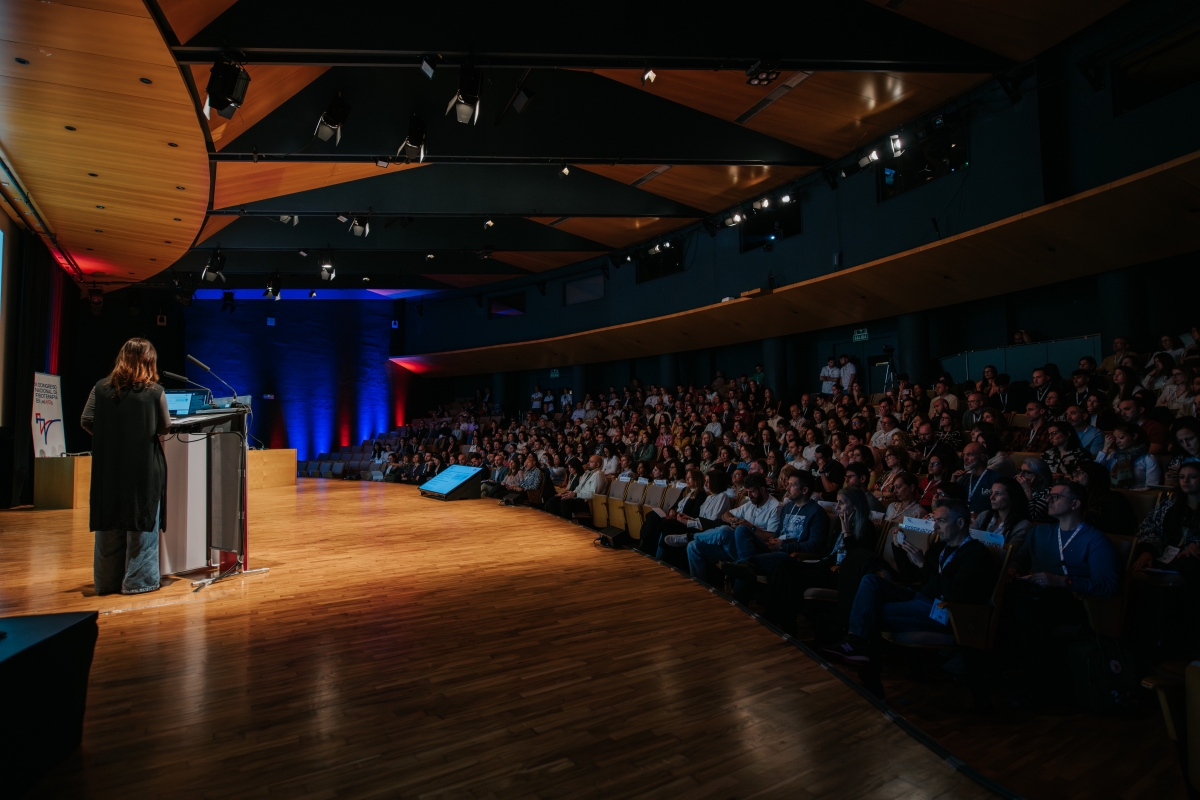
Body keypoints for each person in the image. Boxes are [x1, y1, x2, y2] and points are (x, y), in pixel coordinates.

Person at [822, 499, 996, 692]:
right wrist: (899, 549)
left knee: (871, 612)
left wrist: (923, 565)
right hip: (920, 597)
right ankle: (856, 642)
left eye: (942, 521)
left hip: (944, 611)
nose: (936, 526)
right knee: (871, 580)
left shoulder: (976, 554)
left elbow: (954, 593)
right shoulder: (941, 548)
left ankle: (870, 678)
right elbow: (910, 577)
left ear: (961, 523)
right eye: (935, 521)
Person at [1006, 481, 1120, 699]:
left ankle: (1037, 687)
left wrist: (1061, 581)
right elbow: (1020, 559)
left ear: (1075, 504)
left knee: (1028, 610)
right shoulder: (1039, 533)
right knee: (1009, 601)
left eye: (1056, 497)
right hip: (1036, 594)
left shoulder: (1095, 540)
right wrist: (1012, 570)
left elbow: (1107, 584)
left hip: (1073, 601)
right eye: (1049, 495)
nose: (1048, 500)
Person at [81, 337, 170, 596]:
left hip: (109, 468)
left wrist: (109, 438)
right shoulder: (155, 392)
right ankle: (138, 582)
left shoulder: (100, 388)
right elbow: (165, 426)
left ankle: (106, 584)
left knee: (108, 524)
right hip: (143, 468)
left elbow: (86, 419)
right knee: (141, 525)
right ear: (148, 362)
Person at [686, 473, 782, 583]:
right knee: (693, 546)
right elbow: (725, 515)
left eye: (752, 492)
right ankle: (699, 586)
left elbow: (771, 537)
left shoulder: (775, 507)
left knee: (726, 530)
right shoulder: (751, 503)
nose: (749, 495)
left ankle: (692, 536)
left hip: (754, 550)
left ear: (762, 489)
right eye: (747, 491)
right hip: (735, 545)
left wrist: (751, 528)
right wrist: (733, 520)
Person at [1070, 460, 1137, 536]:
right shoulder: (1077, 497)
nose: (1075, 476)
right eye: (1075, 472)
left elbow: (1119, 531)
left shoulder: (1114, 499)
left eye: (1080, 472)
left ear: (1093, 475)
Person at [973, 476, 1033, 552]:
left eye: (998, 494)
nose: (991, 497)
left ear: (1012, 498)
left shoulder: (1022, 525)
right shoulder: (984, 515)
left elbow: (1009, 555)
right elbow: (967, 539)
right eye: (991, 493)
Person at [1096, 423, 1162, 489]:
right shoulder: (1113, 455)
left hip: (1137, 496)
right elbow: (1096, 470)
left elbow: (1151, 487)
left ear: (1134, 436)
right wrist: (1105, 449)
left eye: (1121, 438)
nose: (1117, 442)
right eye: (1115, 439)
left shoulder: (1148, 458)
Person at [547, 454, 606, 519]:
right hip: (579, 498)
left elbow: (593, 495)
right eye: (588, 461)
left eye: (591, 462)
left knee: (565, 502)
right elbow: (578, 488)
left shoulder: (599, 474)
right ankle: (555, 522)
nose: (588, 463)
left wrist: (575, 495)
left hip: (588, 503)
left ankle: (566, 525)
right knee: (554, 500)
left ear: (597, 465)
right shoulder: (587, 473)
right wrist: (568, 494)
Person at [953, 442, 1001, 514]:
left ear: (982, 457)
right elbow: (953, 503)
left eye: (969, 455)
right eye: (964, 455)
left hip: (986, 521)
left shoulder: (995, 478)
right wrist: (953, 483)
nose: (965, 458)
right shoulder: (964, 478)